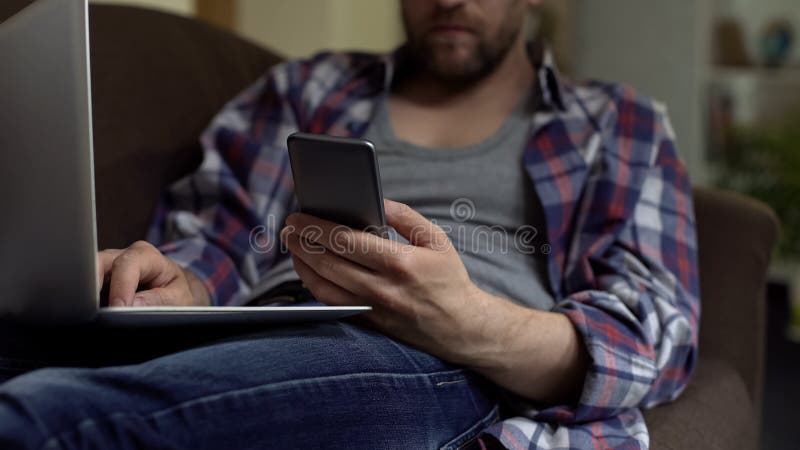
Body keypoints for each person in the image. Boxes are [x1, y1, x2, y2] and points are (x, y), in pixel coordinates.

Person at [0, 0, 700, 448]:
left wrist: (469, 322)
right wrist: (182, 285)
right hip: (254, 325)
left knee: (58, 418)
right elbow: (222, 235)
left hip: (435, 359)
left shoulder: (617, 123)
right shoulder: (306, 88)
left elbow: (655, 327)